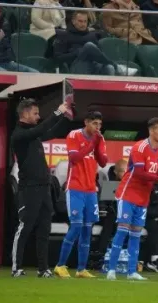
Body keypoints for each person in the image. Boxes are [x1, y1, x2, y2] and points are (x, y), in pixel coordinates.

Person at [11, 99, 72, 277]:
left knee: (44, 229)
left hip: (44, 187)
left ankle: (43, 268)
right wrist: (58, 112)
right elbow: (41, 129)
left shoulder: (33, 133)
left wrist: (67, 117)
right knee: (25, 227)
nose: (38, 117)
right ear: (25, 114)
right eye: (36, 113)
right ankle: (16, 268)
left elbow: (51, 131)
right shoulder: (19, 135)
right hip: (29, 188)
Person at [106, 118, 158, 281]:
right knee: (122, 231)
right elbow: (140, 173)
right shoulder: (139, 148)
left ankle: (131, 271)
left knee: (136, 234)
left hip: (143, 197)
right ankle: (111, 270)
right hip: (128, 194)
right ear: (151, 131)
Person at [54, 111, 108, 278]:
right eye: (94, 124)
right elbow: (75, 158)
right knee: (76, 225)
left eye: (99, 125)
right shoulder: (74, 135)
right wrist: (92, 144)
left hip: (91, 189)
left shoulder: (99, 138)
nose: (97, 128)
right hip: (75, 187)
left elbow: (103, 162)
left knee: (87, 229)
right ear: (86, 122)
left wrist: (97, 143)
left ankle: (81, 269)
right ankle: (60, 265)